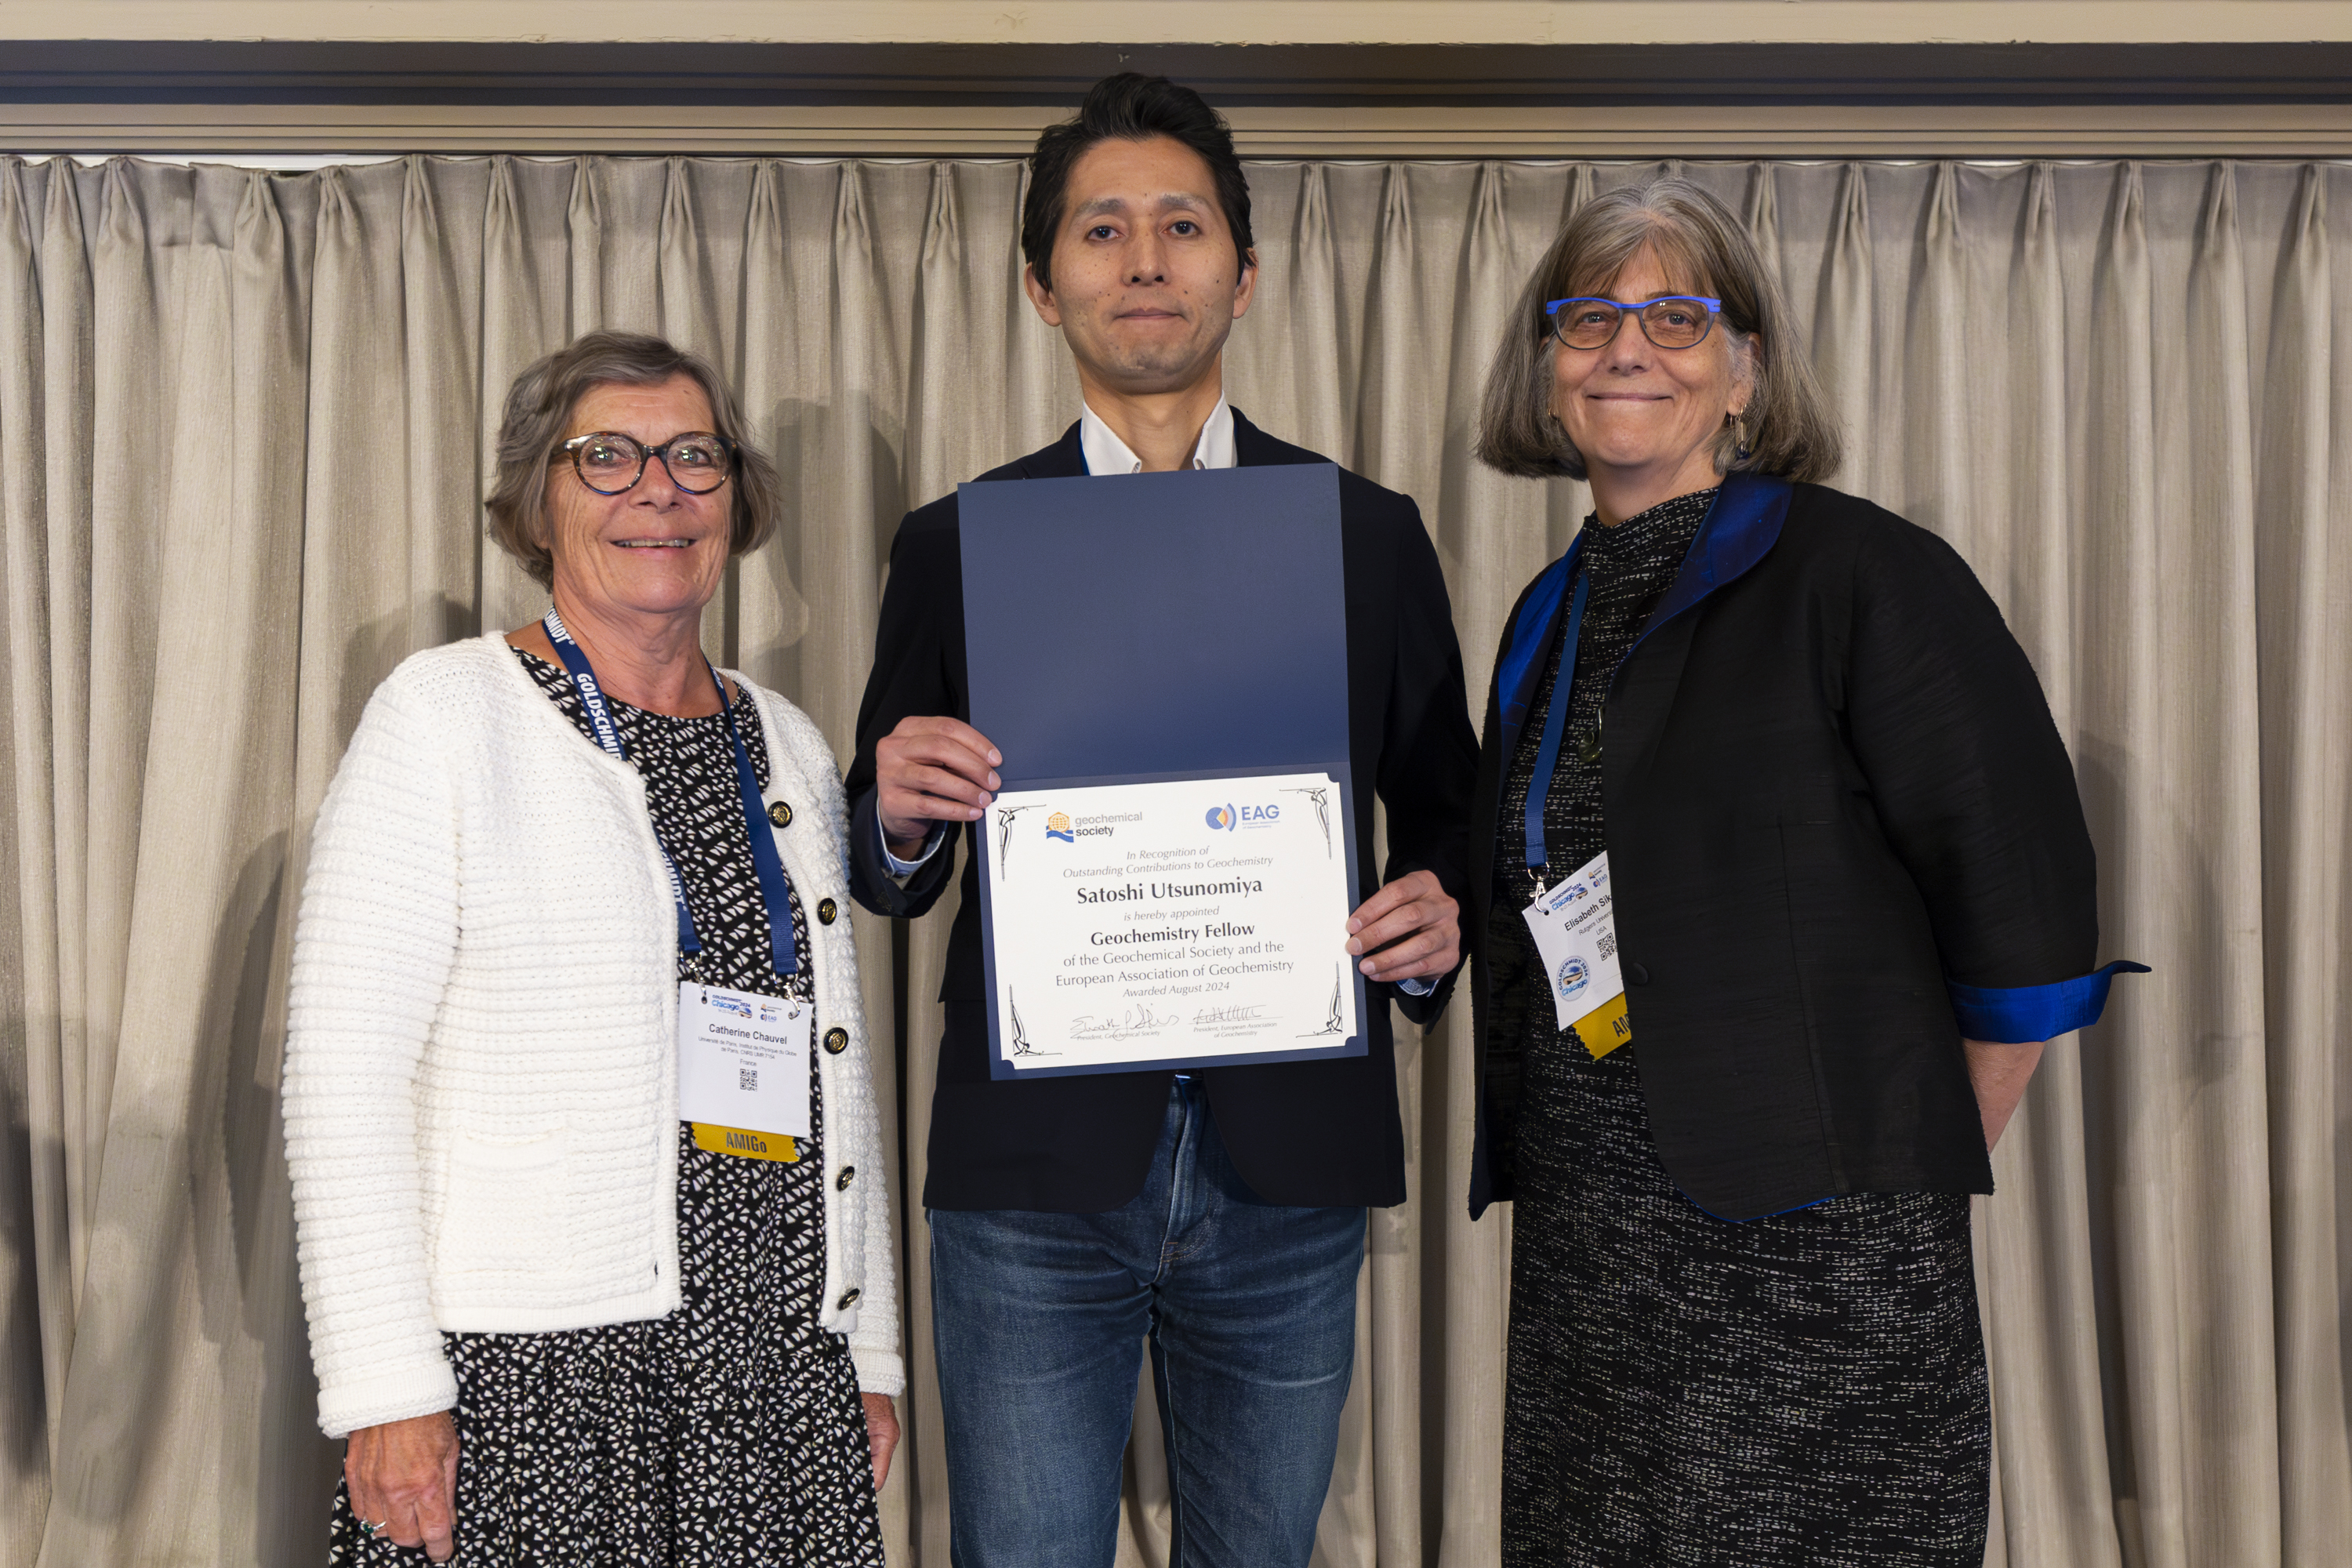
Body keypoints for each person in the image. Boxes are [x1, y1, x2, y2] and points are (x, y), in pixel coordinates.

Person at [845, 74, 1478, 1567]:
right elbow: (887, 856)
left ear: (1242, 275)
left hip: (1289, 1160)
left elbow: (1445, 800)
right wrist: (900, 816)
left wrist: (1436, 916)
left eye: (1183, 227)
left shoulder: (1366, 532)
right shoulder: (956, 542)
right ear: (1041, 285)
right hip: (1034, 1170)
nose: (1145, 259)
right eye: (1103, 230)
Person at [1465, 178, 2142, 1566]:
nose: (1627, 349)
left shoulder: (1862, 573)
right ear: (1547, 369)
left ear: (1747, 372)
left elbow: (2020, 903)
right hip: (1594, 1248)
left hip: (1816, 1253)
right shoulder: (1547, 610)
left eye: (1675, 317)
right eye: (1590, 319)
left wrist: (1884, 1171)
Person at [283, 331, 902, 1566]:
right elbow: (342, 1075)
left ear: (735, 495)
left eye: (694, 457)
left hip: (776, 1370)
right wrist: (385, 1385)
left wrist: (866, 1346)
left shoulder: (786, 741)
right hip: (537, 1378)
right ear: (538, 500)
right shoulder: (444, 715)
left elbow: (834, 1074)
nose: (658, 491)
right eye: (606, 457)